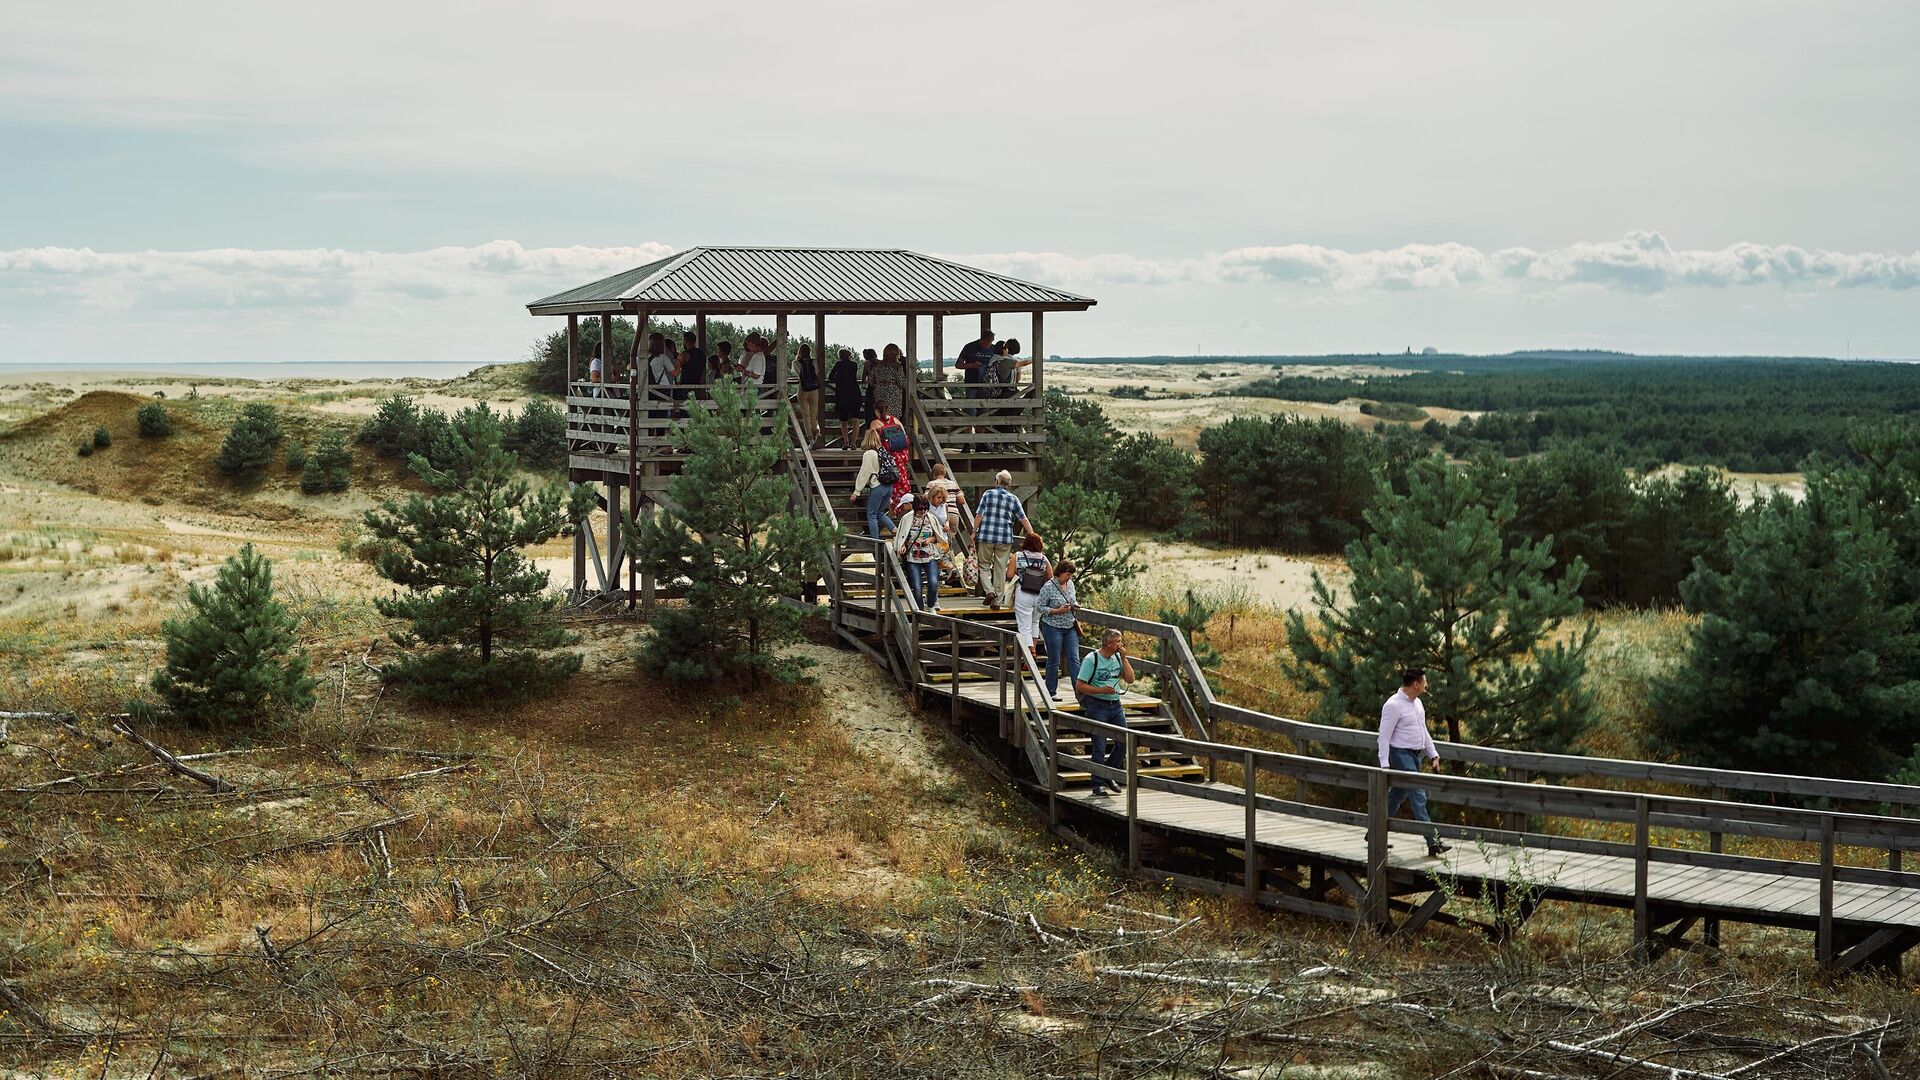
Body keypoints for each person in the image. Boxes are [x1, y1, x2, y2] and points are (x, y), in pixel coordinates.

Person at [1379, 668, 1450, 857]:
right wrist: (1384, 765)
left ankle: (1374, 833)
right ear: (1416, 684)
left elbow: (1423, 730)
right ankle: (1433, 842)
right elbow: (1384, 737)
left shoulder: (1418, 703)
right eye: (1424, 682)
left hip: (1415, 755)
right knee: (1418, 796)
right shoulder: (1393, 705)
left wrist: (1433, 754)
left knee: (1397, 796)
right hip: (1400, 754)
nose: (1427, 685)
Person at [1074, 629, 1135, 796]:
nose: (1121, 645)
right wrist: (1100, 689)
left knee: (1124, 742)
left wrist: (1124, 658)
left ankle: (1109, 774)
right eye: (1118, 642)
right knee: (1099, 746)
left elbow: (1130, 679)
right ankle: (1097, 785)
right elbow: (1079, 685)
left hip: (1115, 705)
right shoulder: (1091, 659)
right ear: (1109, 644)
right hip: (1097, 705)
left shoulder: (1118, 657)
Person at [972, 469, 1030, 609]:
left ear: (997, 482)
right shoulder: (1013, 498)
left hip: (986, 536)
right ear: (1009, 484)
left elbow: (979, 515)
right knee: (1000, 568)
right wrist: (1032, 534)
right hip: (1004, 538)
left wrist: (974, 531)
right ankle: (997, 601)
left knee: (984, 565)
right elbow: (1023, 519)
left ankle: (989, 591)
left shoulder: (988, 494)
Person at [894, 493, 947, 612]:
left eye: (925, 508)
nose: (923, 511)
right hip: (913, 556)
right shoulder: (907, 518)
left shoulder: (931, 518)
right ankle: (920, 611)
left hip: (930, 554)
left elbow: (938, 536)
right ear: (915, 507)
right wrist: (901, 546)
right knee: (917, 587)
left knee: (933, 582)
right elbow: (902, 536)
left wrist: (930, 539)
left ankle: (931, 604)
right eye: (920, 509)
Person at [1036, 561, 1080, 701]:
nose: (1069, 577)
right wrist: (1057, 611)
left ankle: (1079, 691)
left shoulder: (1070, 584)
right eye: (1067, 574)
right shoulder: (1048, 587)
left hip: (1070, 625)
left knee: (1074, 658)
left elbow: (1072, 598)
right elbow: (1040, 607)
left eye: (1071, 575)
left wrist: (1075, 605)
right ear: (1060, 572)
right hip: (1052, 627)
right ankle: (1051, 691)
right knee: (1054, 659)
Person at [852, 428, 896, 539]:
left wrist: (857, 491)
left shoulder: (869, 454)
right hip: (888, 486)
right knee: (880, 513)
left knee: (871, 515)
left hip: (878, 486)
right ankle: (895, 530)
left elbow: (864, 473)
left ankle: (875, 541)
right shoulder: (883, 451)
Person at [1010, 533, 1049, 653]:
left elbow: (1009, 574)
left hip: (1023, 592)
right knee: (1035, 622)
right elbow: (1050, 577)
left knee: (1024, 625)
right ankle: (1034, 649)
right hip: (1039, 594)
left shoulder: (1018, 556)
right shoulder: (1044, 559)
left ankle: (1030, 652)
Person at [872, 410, 913, 507]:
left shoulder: (875, 423)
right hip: (901, 454)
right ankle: (905, 504)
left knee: (891, 479)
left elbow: (874, 440)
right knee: (902, 478)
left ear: (876, 411)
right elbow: (904, 435)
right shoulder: (896, 420)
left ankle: (892, 507)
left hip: (888, 454)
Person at [867, 343, 910, 422]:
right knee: (893, 419)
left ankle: (882, 433)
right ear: (896, 354)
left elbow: (871, 381)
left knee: (881, 417)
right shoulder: (897, 367)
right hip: (893, 394)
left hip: (880, 393)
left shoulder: (878, 366)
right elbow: (902, 383)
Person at [829, 347, 862, 447]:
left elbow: (831, 376)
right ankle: (853, 443)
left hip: (842, 394)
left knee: (843, 421)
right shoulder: (854, 365)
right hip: (854, 393)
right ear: (849, 355)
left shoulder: (838, 365)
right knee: (856, 419)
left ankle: (846, 441)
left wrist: (838, 378)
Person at [795, 343, 823, 445]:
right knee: (814, 414)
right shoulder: (814, 361)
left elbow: (798, 374)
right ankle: (817, 432)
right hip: (814, 389)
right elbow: (817, 373)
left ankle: (810, 439)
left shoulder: (795, 363)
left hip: (803, 389)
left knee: (805, 415)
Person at [678, 331, 707, 400]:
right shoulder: (702, 355)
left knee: (684, 408)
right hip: (697, 387)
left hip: (685, 388)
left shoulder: (685, 354)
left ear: (685, 341)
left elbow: (676, 368)